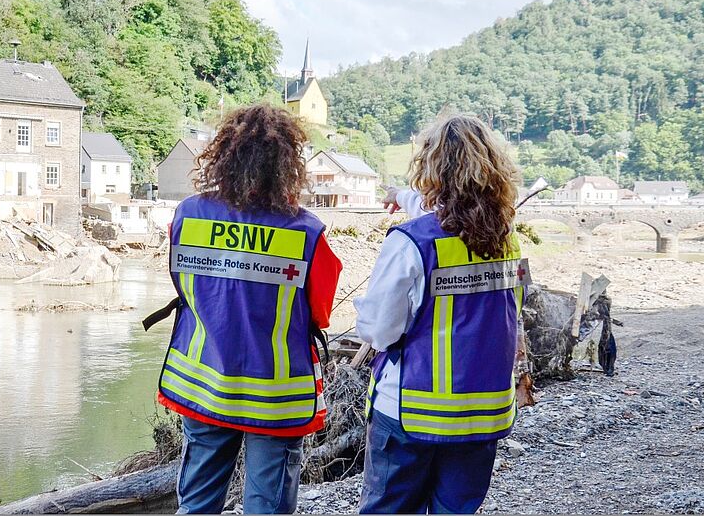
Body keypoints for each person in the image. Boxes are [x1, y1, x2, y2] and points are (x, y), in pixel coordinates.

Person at [154, 104, 342, 514]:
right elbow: (321, 314)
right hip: (276, 395)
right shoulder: (307, 232)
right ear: (287, 164)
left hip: (204, 383)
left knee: (198, 504)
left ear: (225, 155)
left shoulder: (188, 215)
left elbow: (183, 286)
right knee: (268, 507)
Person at [355, 115, 530, 514]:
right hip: (483, 414)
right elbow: (514, 307)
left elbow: (379, 332)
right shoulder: (508, 240)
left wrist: (363, 311)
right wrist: (402, 197)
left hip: (411, 413)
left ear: (431, 170)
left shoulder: (412, 242)